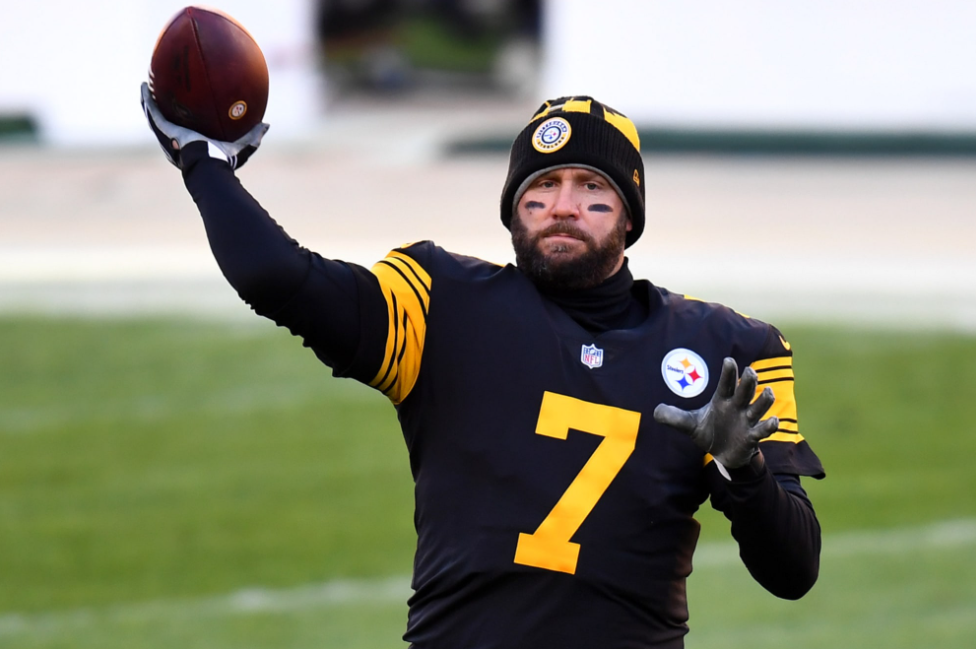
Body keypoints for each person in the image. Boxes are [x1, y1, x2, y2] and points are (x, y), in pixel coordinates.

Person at [141, 87, 826, 649]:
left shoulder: (728, 348)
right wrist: (203, 162)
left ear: (628, 216)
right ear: (511, 209)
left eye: (591, 187)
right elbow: (279, 276)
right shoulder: (443, 301)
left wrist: (747, 472)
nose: (562, 205)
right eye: (541, 187)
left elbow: (793, 571)